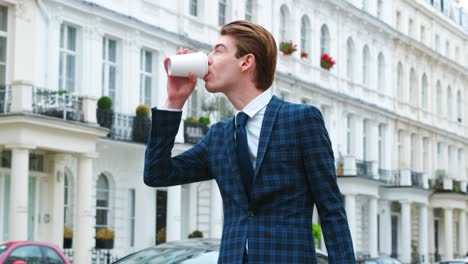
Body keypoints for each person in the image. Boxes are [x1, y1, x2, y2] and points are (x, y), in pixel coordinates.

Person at [144, 20, 355, 264]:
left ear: (246, 62)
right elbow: (157, 174)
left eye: (219, 50)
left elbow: (331, 211)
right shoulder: (219, 136)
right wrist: (174, 103)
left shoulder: (301, 120)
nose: (208, 59)